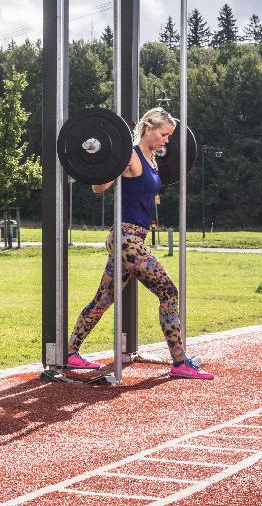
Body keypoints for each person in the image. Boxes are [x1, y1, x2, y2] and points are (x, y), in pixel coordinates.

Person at [67, 107, 214, 380]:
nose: (166, 141)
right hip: (127, 239)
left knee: (104, 298)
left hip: (132, 239)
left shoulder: (152, 160)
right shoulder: (130, 156)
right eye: (163, 134)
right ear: (148, 128)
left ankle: (70, 353)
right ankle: (180, 362)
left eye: (169, 136)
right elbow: (98, 188)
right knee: (169, 291)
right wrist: (106, 162)